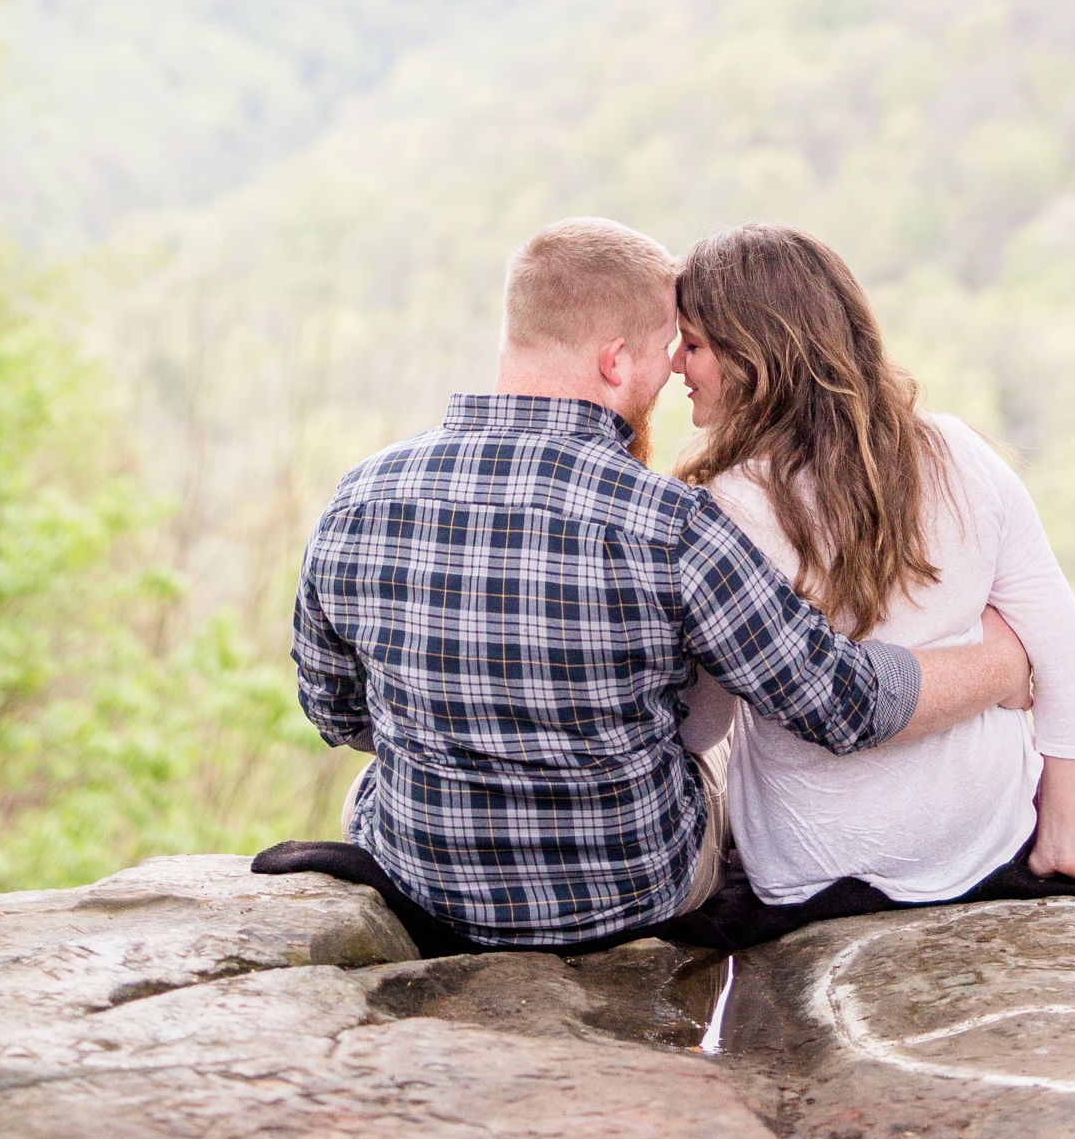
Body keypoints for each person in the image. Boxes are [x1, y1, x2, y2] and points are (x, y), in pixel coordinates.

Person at [284, 216, 1033, 952]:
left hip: (428, 876)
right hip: (631, 890)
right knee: (707, 746)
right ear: (616, 363)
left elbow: (335, 711)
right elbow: (837, 703)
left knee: (378, 781)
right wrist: (1005, 663)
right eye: (666, 348)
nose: (675, 367)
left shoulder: (360, 495)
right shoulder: (672, 525)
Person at [674, 220, 1075, 913]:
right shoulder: (963, 454)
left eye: (692, 344)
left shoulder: (721, 508)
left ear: (754, 354)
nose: (675, 364)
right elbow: (1066, 652)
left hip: (807, 874)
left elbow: (703, 725)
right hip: (984, 849)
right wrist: (1061, 840)